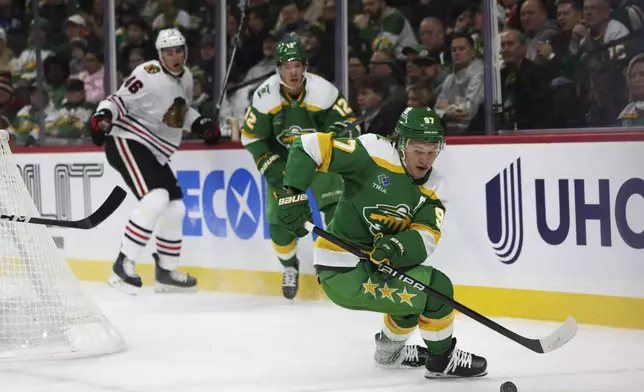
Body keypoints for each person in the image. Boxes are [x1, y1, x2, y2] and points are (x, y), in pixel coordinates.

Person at [272, 107, 488, 378]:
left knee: (411, 294)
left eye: (433, 151)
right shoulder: (372, 153)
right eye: (418, 150)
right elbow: (308, 145)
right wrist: (293, 194)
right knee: (437, 289)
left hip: (377, 266)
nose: (425, 160)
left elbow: (425, 236)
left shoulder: (435, 186)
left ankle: (389, 353)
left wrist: (394, 249)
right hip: (342, 269)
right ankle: (441, 359)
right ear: (400, 142)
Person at [90, 28, 220, 295]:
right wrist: (103, 115)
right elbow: (118, 100)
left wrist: (200, 124)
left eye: (178, 51)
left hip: (154, 150)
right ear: (160, 55)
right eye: (168, 53)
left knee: (176, 208)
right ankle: (122, 265)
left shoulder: (186, 77)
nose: (174, 57)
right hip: (128, 140)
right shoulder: (147, 74)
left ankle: (165, 271)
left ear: (186, 52)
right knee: (156, 198)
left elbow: (180, 110)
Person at [241, 36, 359, 300]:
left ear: (305, 66)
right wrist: (271, 166)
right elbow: (251, 137)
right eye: (286, 65)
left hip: (319, 160)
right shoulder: (264, 97)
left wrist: (336, 142)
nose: (293, 72)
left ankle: (337, 267)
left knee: (336, 210)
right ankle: (289, 267)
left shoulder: (324, 92)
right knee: (280, 222)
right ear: (278, 68)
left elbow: (349, 126)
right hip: (283, 164)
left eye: (297, 65)